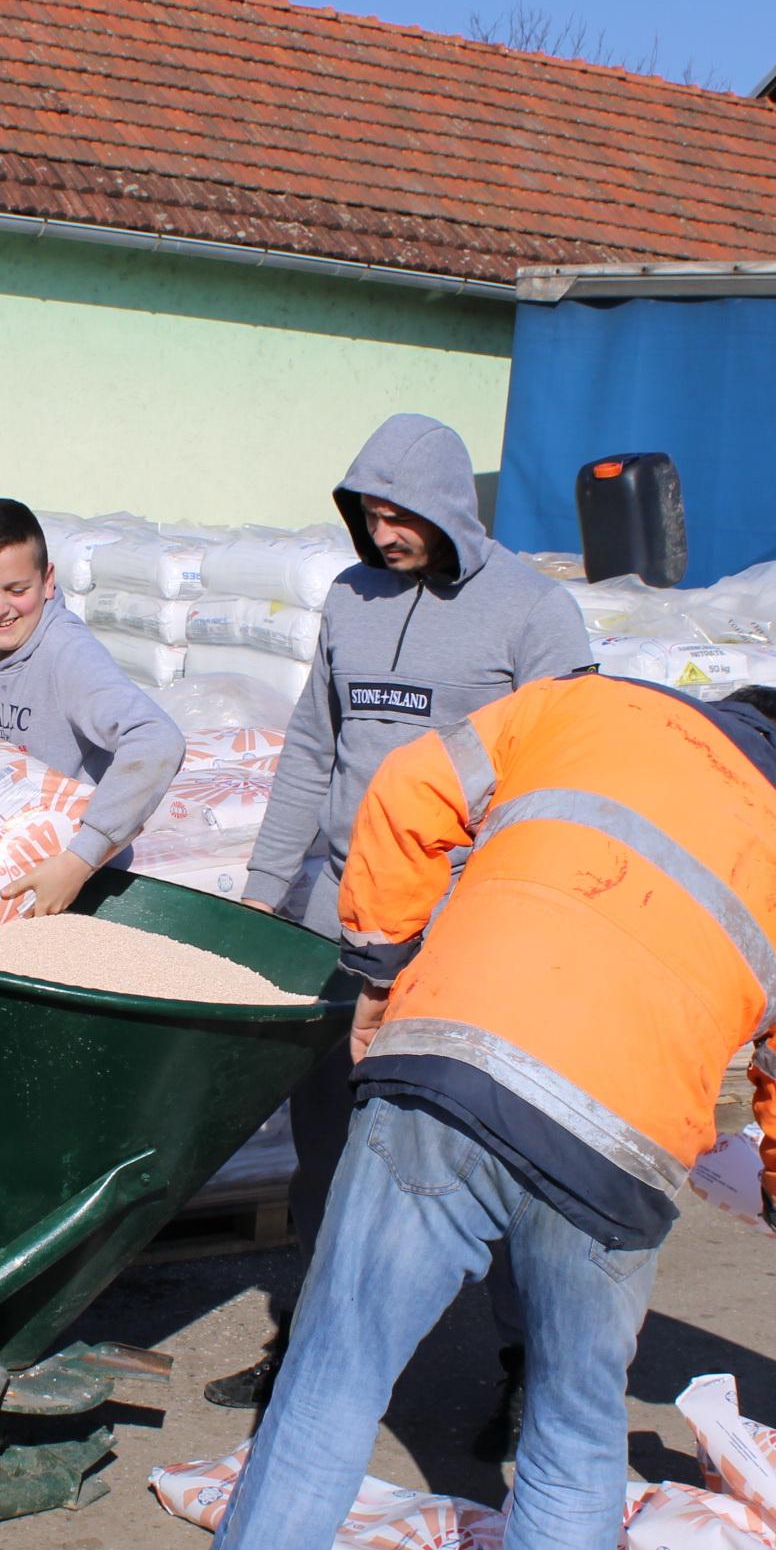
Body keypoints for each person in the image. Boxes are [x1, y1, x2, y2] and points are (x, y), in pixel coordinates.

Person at [132, 682, 776, 1550]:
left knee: (333, 1379)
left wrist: (378, 972)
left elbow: (406, 787)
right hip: (616, 1163)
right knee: (577, 1443)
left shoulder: (593, 708)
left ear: (716, 709)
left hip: (449, 1076)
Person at [210, 412, 594, 1454]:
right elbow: (309, 751)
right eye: (369, 514)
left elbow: (568, 775)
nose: (383, 536)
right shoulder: (350, 599)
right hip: (339, 913)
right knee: (325, 1148)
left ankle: (529, 1376)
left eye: (401, 515)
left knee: (497, 1153)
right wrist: (262, 888)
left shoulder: (533, 613)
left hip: (469, 934)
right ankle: (308, 1345)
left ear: (448, 506)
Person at [0, 496, 186, 917]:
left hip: (74, 886)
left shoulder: (67, 655)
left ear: (47, 580)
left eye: (17, 590)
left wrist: (79, 860)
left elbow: (157, 740)